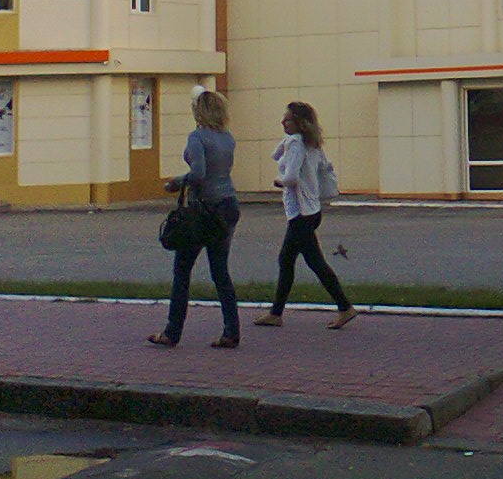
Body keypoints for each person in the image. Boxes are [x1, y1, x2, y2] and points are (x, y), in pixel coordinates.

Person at [148, 85, 242, 349]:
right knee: (220, 271)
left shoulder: (197, 137)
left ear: (199, 111)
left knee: (182, 269)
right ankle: (231, 330)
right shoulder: (228, 138)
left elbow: (199, 173)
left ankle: (172, 331)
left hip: (203, 210)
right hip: (228, 204)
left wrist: (177, 182)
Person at [253, 101, 357, 330]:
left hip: (300, 213)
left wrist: (278, 181)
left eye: (288, 119)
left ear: (300, 123)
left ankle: (345, 307)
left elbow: (290, 178)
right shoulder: (311, 143)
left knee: (315, 262)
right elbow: (277, 155)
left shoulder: (297, 144)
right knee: (286, 259)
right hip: (311, 211)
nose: (283, 122)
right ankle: (276, 313)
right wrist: (286, 142)